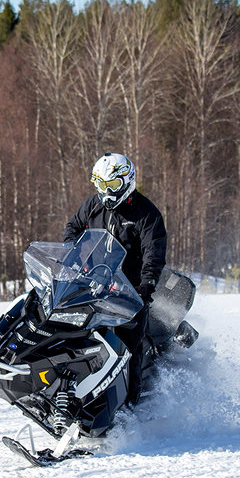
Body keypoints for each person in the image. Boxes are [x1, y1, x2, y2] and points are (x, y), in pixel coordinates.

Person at [63, 152, 167, 401]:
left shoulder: (146, 213)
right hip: (94, 285)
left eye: (112, 186)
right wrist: (73, 256)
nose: (106, 192)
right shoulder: (93, 205)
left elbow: (154, 252)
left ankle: (131, 407)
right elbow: (73, 228)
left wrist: (146, 285)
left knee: (128, 350)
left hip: (130, 293)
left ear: (127, 181)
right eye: (100, 185)